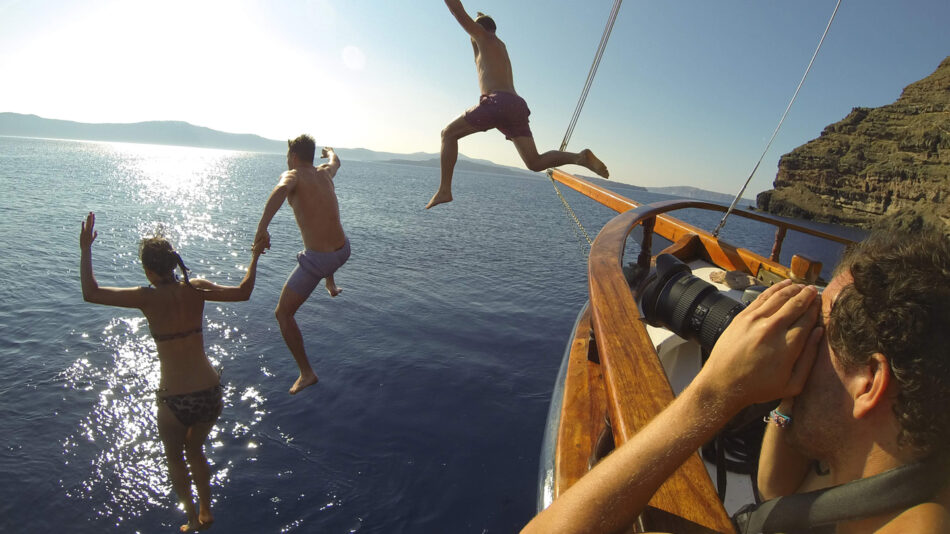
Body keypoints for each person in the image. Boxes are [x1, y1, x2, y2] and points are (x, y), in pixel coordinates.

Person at [523, 228, 950, 533]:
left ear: (869, 381)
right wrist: (787, 401)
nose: (797, 343)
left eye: (815, 332)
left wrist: (713, 394)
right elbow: (774, 491)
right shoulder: (886, 466)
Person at [79, 212, 263, 532]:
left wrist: (85, 250)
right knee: (195, 450)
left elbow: (91, 293)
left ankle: (193, 518)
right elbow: (244, 291)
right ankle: (207, 508)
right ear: (174, 264)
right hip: (209, 392)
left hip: (174, 399)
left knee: (176, 458)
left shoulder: (146, 297)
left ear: (149, 271)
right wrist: (255, 255)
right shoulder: (198, 288)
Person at [425, 0, 610, 210]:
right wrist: (482, 18)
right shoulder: (499, 45)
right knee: (534, 162)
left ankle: (445, 190)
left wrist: (474, 21)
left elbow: (457, 11)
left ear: (481, 29)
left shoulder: (483, 36)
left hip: (497, 102)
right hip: (516, 105)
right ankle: (579, 158)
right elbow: (483, 30)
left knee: (448, 134)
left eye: (475, 28)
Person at [254, 136, 350, 395]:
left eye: (288, 156)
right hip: (344, 251)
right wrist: (330, 151)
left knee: (282, 314)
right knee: (323, 252)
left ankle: (306, 373)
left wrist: (261, 228)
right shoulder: (325, 173)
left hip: (321, 260)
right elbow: (336, 161)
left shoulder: (293, 174)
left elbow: (278, 191)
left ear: (294, 156)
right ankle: (330, 284)